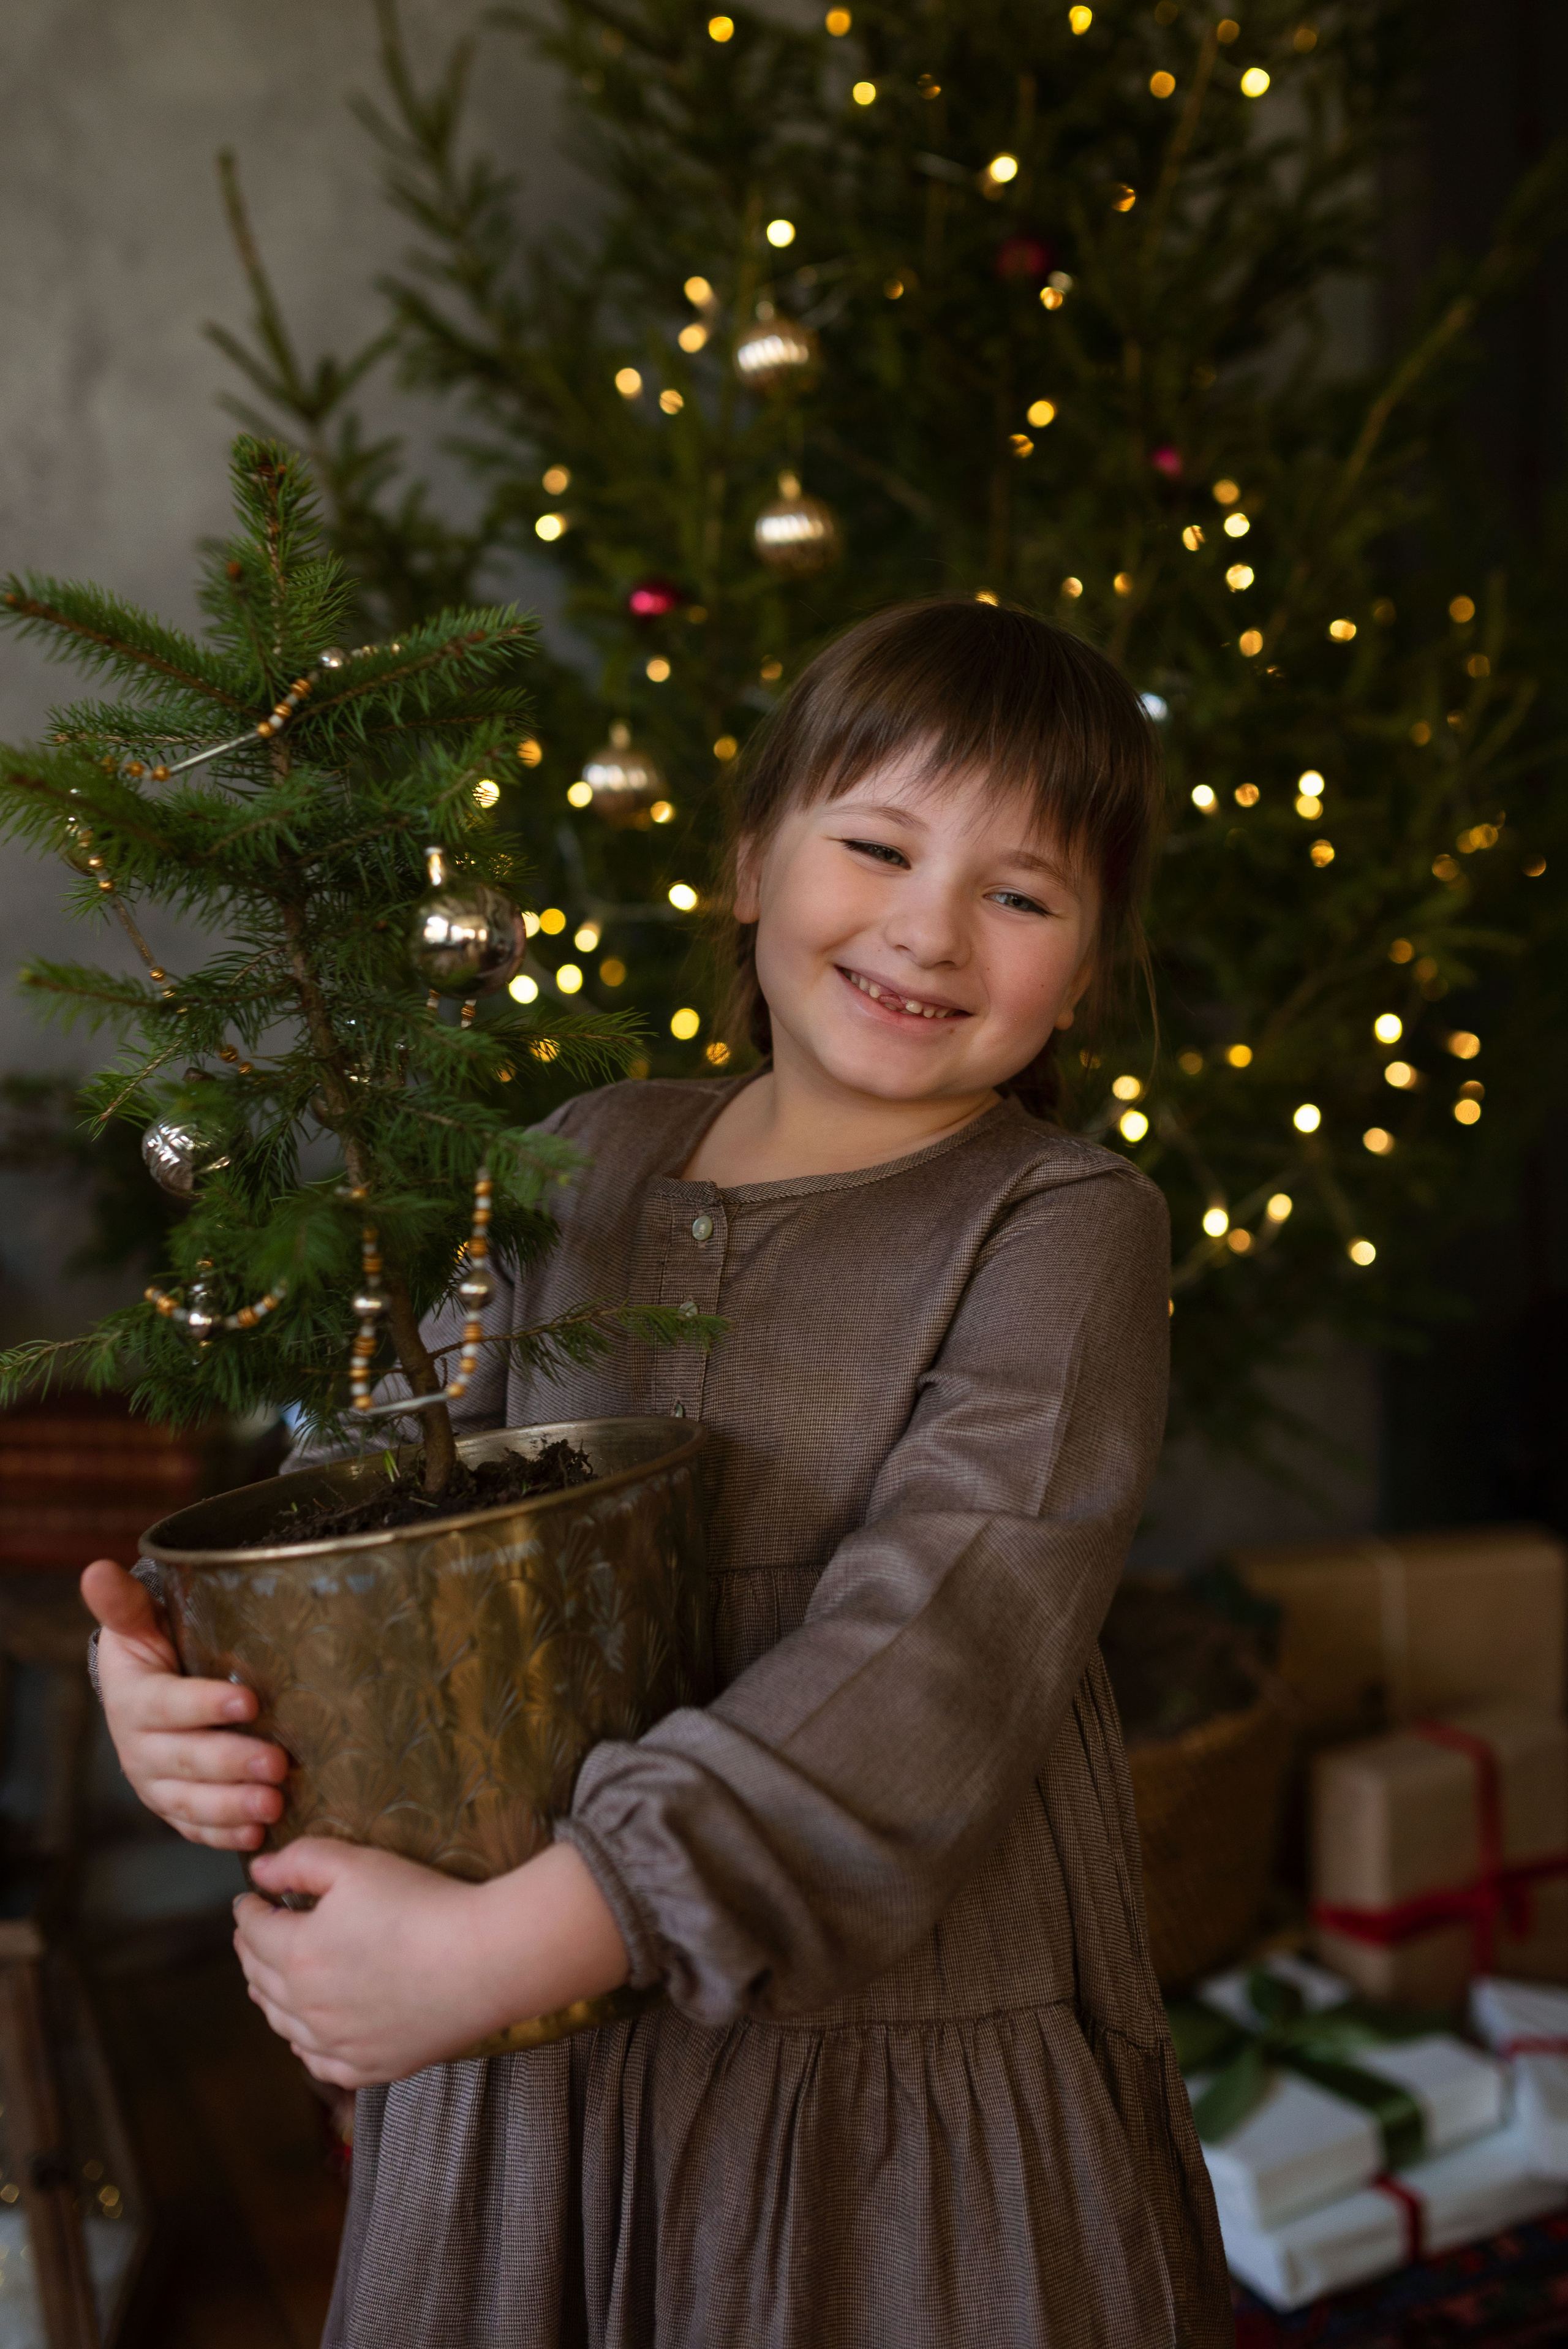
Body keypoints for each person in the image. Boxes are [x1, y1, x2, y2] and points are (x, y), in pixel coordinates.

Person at [85, 600, 1232, 2347]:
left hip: (868, 2081)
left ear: (1082, 970)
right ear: (751, 863)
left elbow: (938, 1648)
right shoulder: (579, 1153)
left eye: (1022, 894)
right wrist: (185, 1689)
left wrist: (526, 1942)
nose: (930, 928)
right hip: (526, 2074)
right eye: (878, 847)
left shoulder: (1062, 1227)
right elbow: (378, 1490)